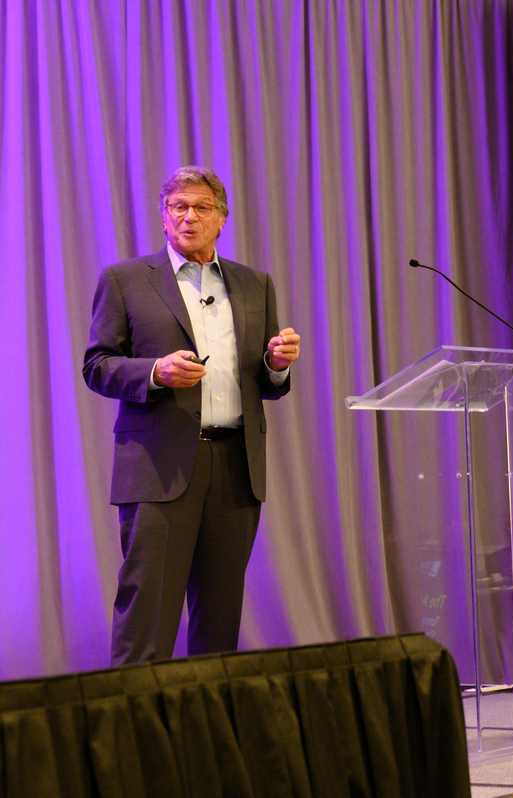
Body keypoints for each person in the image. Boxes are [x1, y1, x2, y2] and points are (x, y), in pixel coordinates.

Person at [83, 166, 300, 665]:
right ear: (163, 217)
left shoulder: (255, 284)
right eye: (178, 206)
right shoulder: (125, 280)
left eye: (202, 207)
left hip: (236, 468)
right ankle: (137, 713)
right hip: (159, 467)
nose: (189, 216)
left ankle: (211, 714)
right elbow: (97, 366)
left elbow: (265, 379)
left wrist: (276, 364)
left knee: (219, 619)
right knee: (147, 616)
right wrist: (155, 372)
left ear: (222, 219)